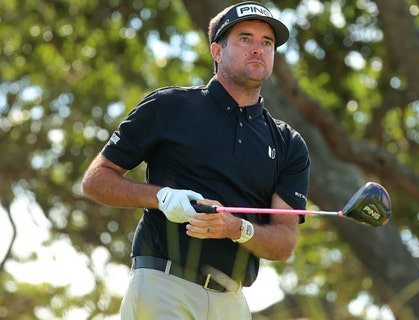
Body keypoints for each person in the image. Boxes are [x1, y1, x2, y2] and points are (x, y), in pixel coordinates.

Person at [81, 2, 310, 319]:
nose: (258, 49)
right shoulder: (169, 106)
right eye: (245, 38)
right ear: (217, 51)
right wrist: (161, 197)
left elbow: (284, 243)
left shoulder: (288, 143)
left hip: (232, 300)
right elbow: (96, 180)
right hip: (164, 284)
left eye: (267, 42)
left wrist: (236, 228)